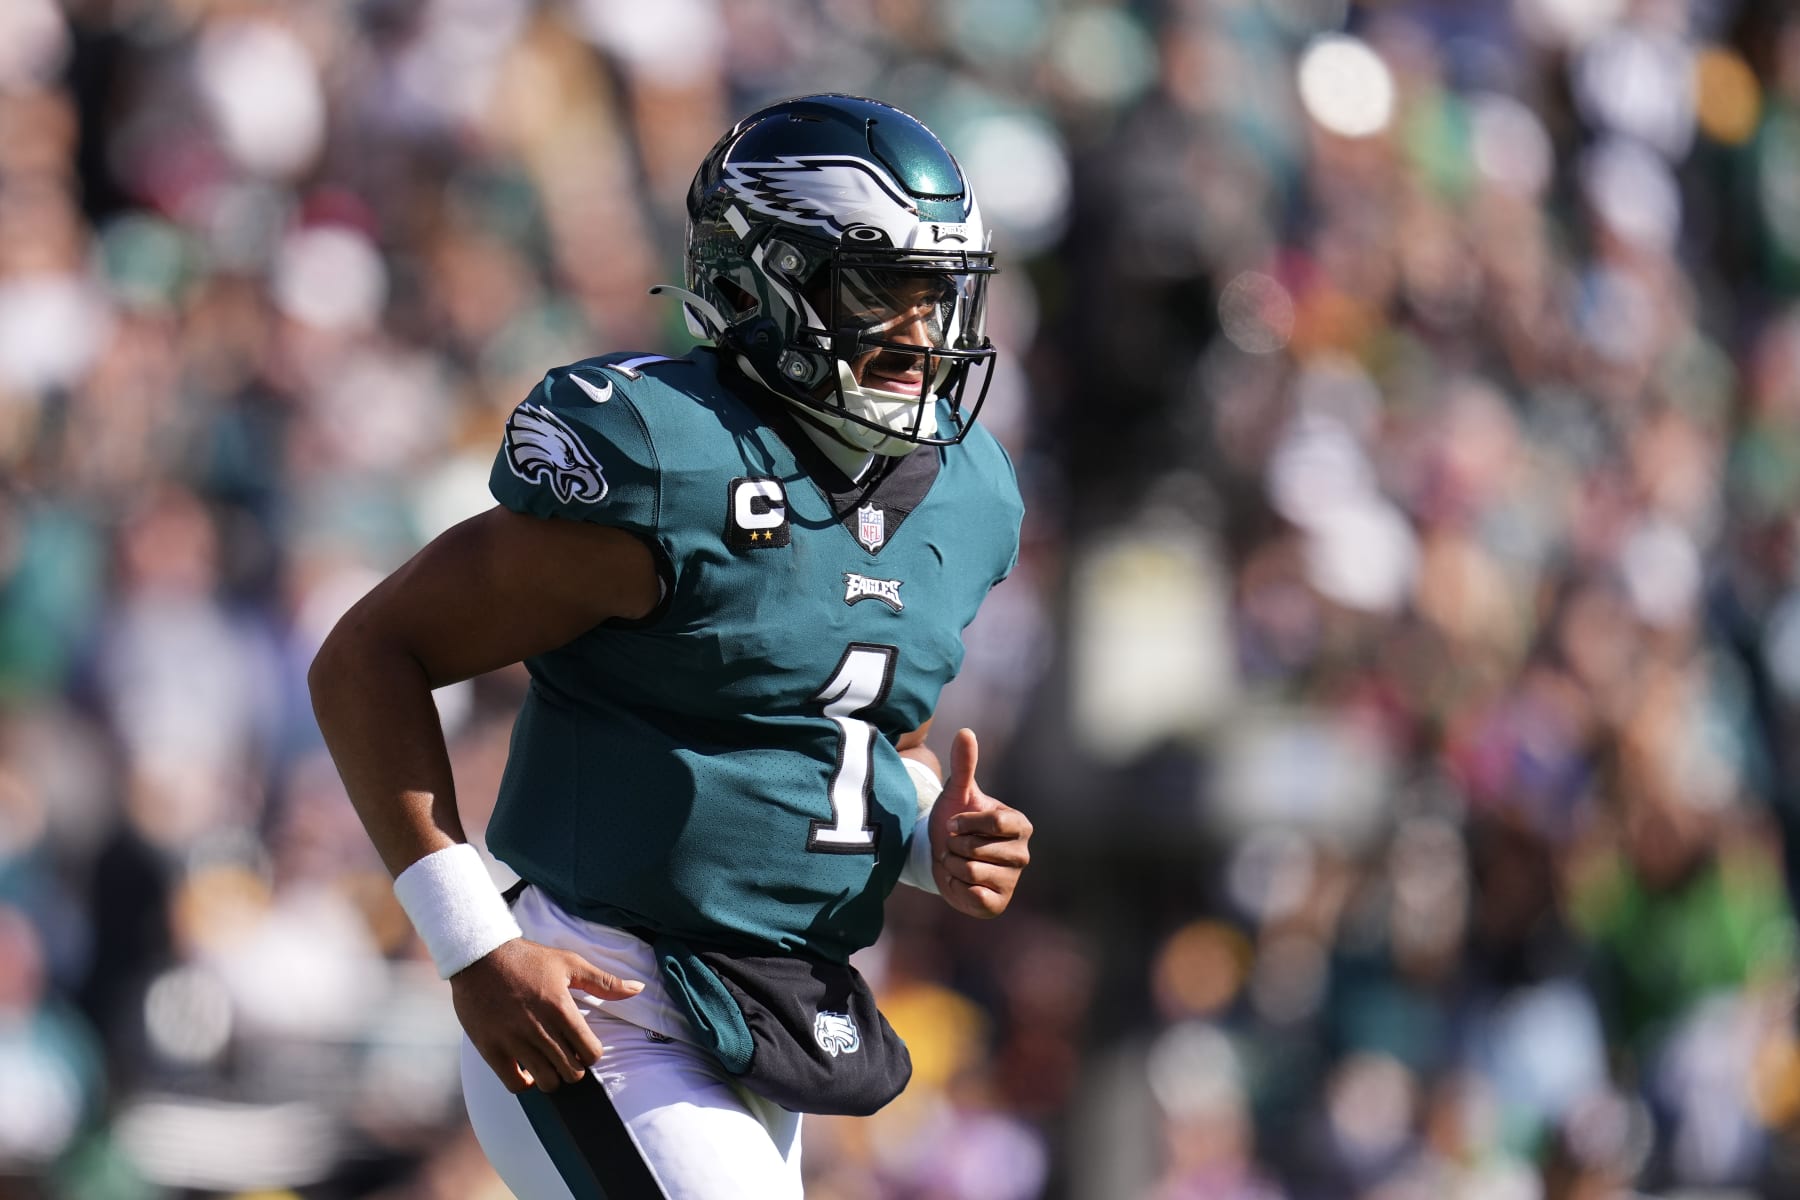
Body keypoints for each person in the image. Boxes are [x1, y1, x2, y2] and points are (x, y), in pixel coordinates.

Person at [308, 93, 1033, 1198]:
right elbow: (367, 657)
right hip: (603, 1001)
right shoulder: (669, 465)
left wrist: (931, 829)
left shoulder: (969, 493)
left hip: (776, 1005)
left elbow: (857, 722)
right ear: (759, 279)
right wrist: (468, 944)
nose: (921, 332)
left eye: (938, 294)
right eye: (881, 288)